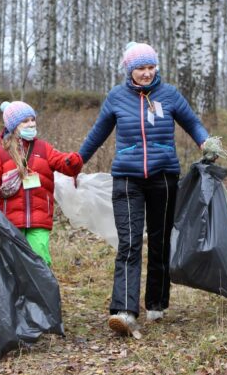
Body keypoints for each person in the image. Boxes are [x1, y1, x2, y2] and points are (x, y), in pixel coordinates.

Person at [78, 42, 210, 336]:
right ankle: (124, 310)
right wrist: (76, 162)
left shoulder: (170, 94)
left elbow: (193, 123)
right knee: (129, 242)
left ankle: (157, 302)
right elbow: (97, 133)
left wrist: (206, 142)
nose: (147, 73)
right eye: (141, 68)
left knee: (161, 241)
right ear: (129, 70)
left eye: (151, 67)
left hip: (164, 177)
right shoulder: (116, 97)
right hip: (127, 178)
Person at [0, 101, 83, 267]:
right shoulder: (1, 153)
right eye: (25, 121)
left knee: (39, 256)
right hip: (10, 220)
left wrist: (72, 161)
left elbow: (62, 163)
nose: (31, 124)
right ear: (13, 126)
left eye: (33, 119)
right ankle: (16, 292)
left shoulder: (44, 148)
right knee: (13, 261)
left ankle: (41, 291)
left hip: (39, 216)